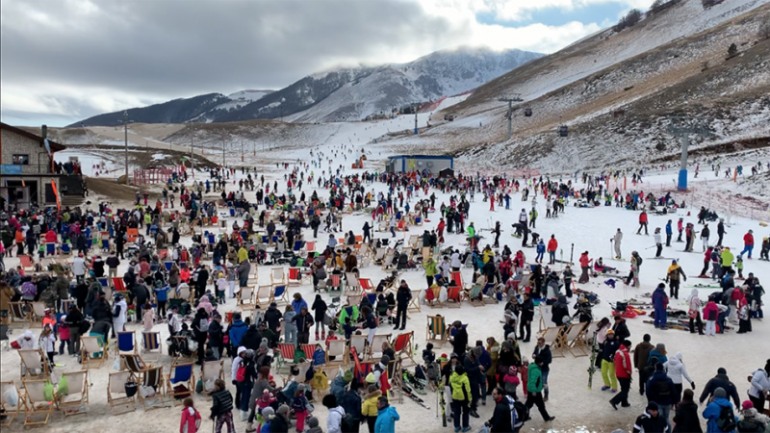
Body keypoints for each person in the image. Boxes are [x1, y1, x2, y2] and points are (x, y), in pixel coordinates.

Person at [646, 362, 675, 431]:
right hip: (667, 402)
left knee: (659, 420)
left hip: (657, 402)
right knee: (666, 418)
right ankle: (668, 431)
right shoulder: (668, 379)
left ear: (655, 369)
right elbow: (673, 391)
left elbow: (648, 391)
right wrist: (673, 402)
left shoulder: (652, 379)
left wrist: (650, 401)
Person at [525, 355, 555, 422]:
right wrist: (534, 391)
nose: (542, 363)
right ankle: (546, 418)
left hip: (531, 389)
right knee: (541, 405)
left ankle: (524, 416)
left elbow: (536, 381)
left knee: (528, 404)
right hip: (535, 391)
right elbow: (533, 381)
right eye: (541, 362)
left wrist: (542, 385)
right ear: (539, 363)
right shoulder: (536, 371)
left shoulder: (532, 366)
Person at [609, 339, 633, 410]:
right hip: (624, 375)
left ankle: (624, 403)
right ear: (628, 346)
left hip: (618, 374)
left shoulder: (618, 351)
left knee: (623, 388)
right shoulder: (625, 354)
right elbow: (627, 366)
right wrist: (629, 373)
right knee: (625, 390)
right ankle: (614, 401)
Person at [450, 364, 472, 432]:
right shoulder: (465, 378)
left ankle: (457, 427)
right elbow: (468, 390)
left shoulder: (452, 377)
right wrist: (470, 399)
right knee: (465, 412)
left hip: (455, 397)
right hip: (464, 398)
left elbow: (450, 385)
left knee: (456, 412)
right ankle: (465, 426)